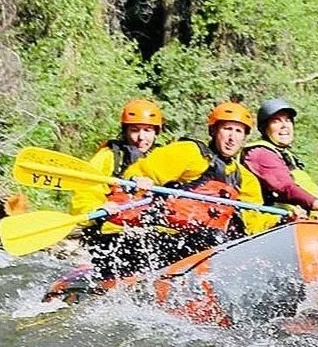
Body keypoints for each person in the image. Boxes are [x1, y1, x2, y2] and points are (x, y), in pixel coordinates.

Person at [104, 100, 267, 273]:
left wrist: (285, 220)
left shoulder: (245, 178)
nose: (232, 138)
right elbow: (140, 171)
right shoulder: (188, 152)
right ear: (213, 131)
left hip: (200, 242)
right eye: (227, 129)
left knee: (227, 240)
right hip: (161, 234)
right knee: (213, 239)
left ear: (244, 137)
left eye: (238, 131)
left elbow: (254, 220)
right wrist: (138, 178)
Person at [72, 98, 164, 278]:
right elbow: (86, 190)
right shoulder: (109, 156)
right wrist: (98, 209)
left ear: (156, 133)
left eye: (147, 131)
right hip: (110, 231)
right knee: (133, 247)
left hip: (149, 232)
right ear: (125, 131)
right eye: (135, 130)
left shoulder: (162, 158)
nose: (141, 138)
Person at [241, 97, 318, 231]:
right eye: (276, 121)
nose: (284, 125)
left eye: (288, 120)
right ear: (264, 128)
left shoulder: (289, 158)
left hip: (297, 224)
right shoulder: (258, 153)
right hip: (268, 227)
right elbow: (286, 188)